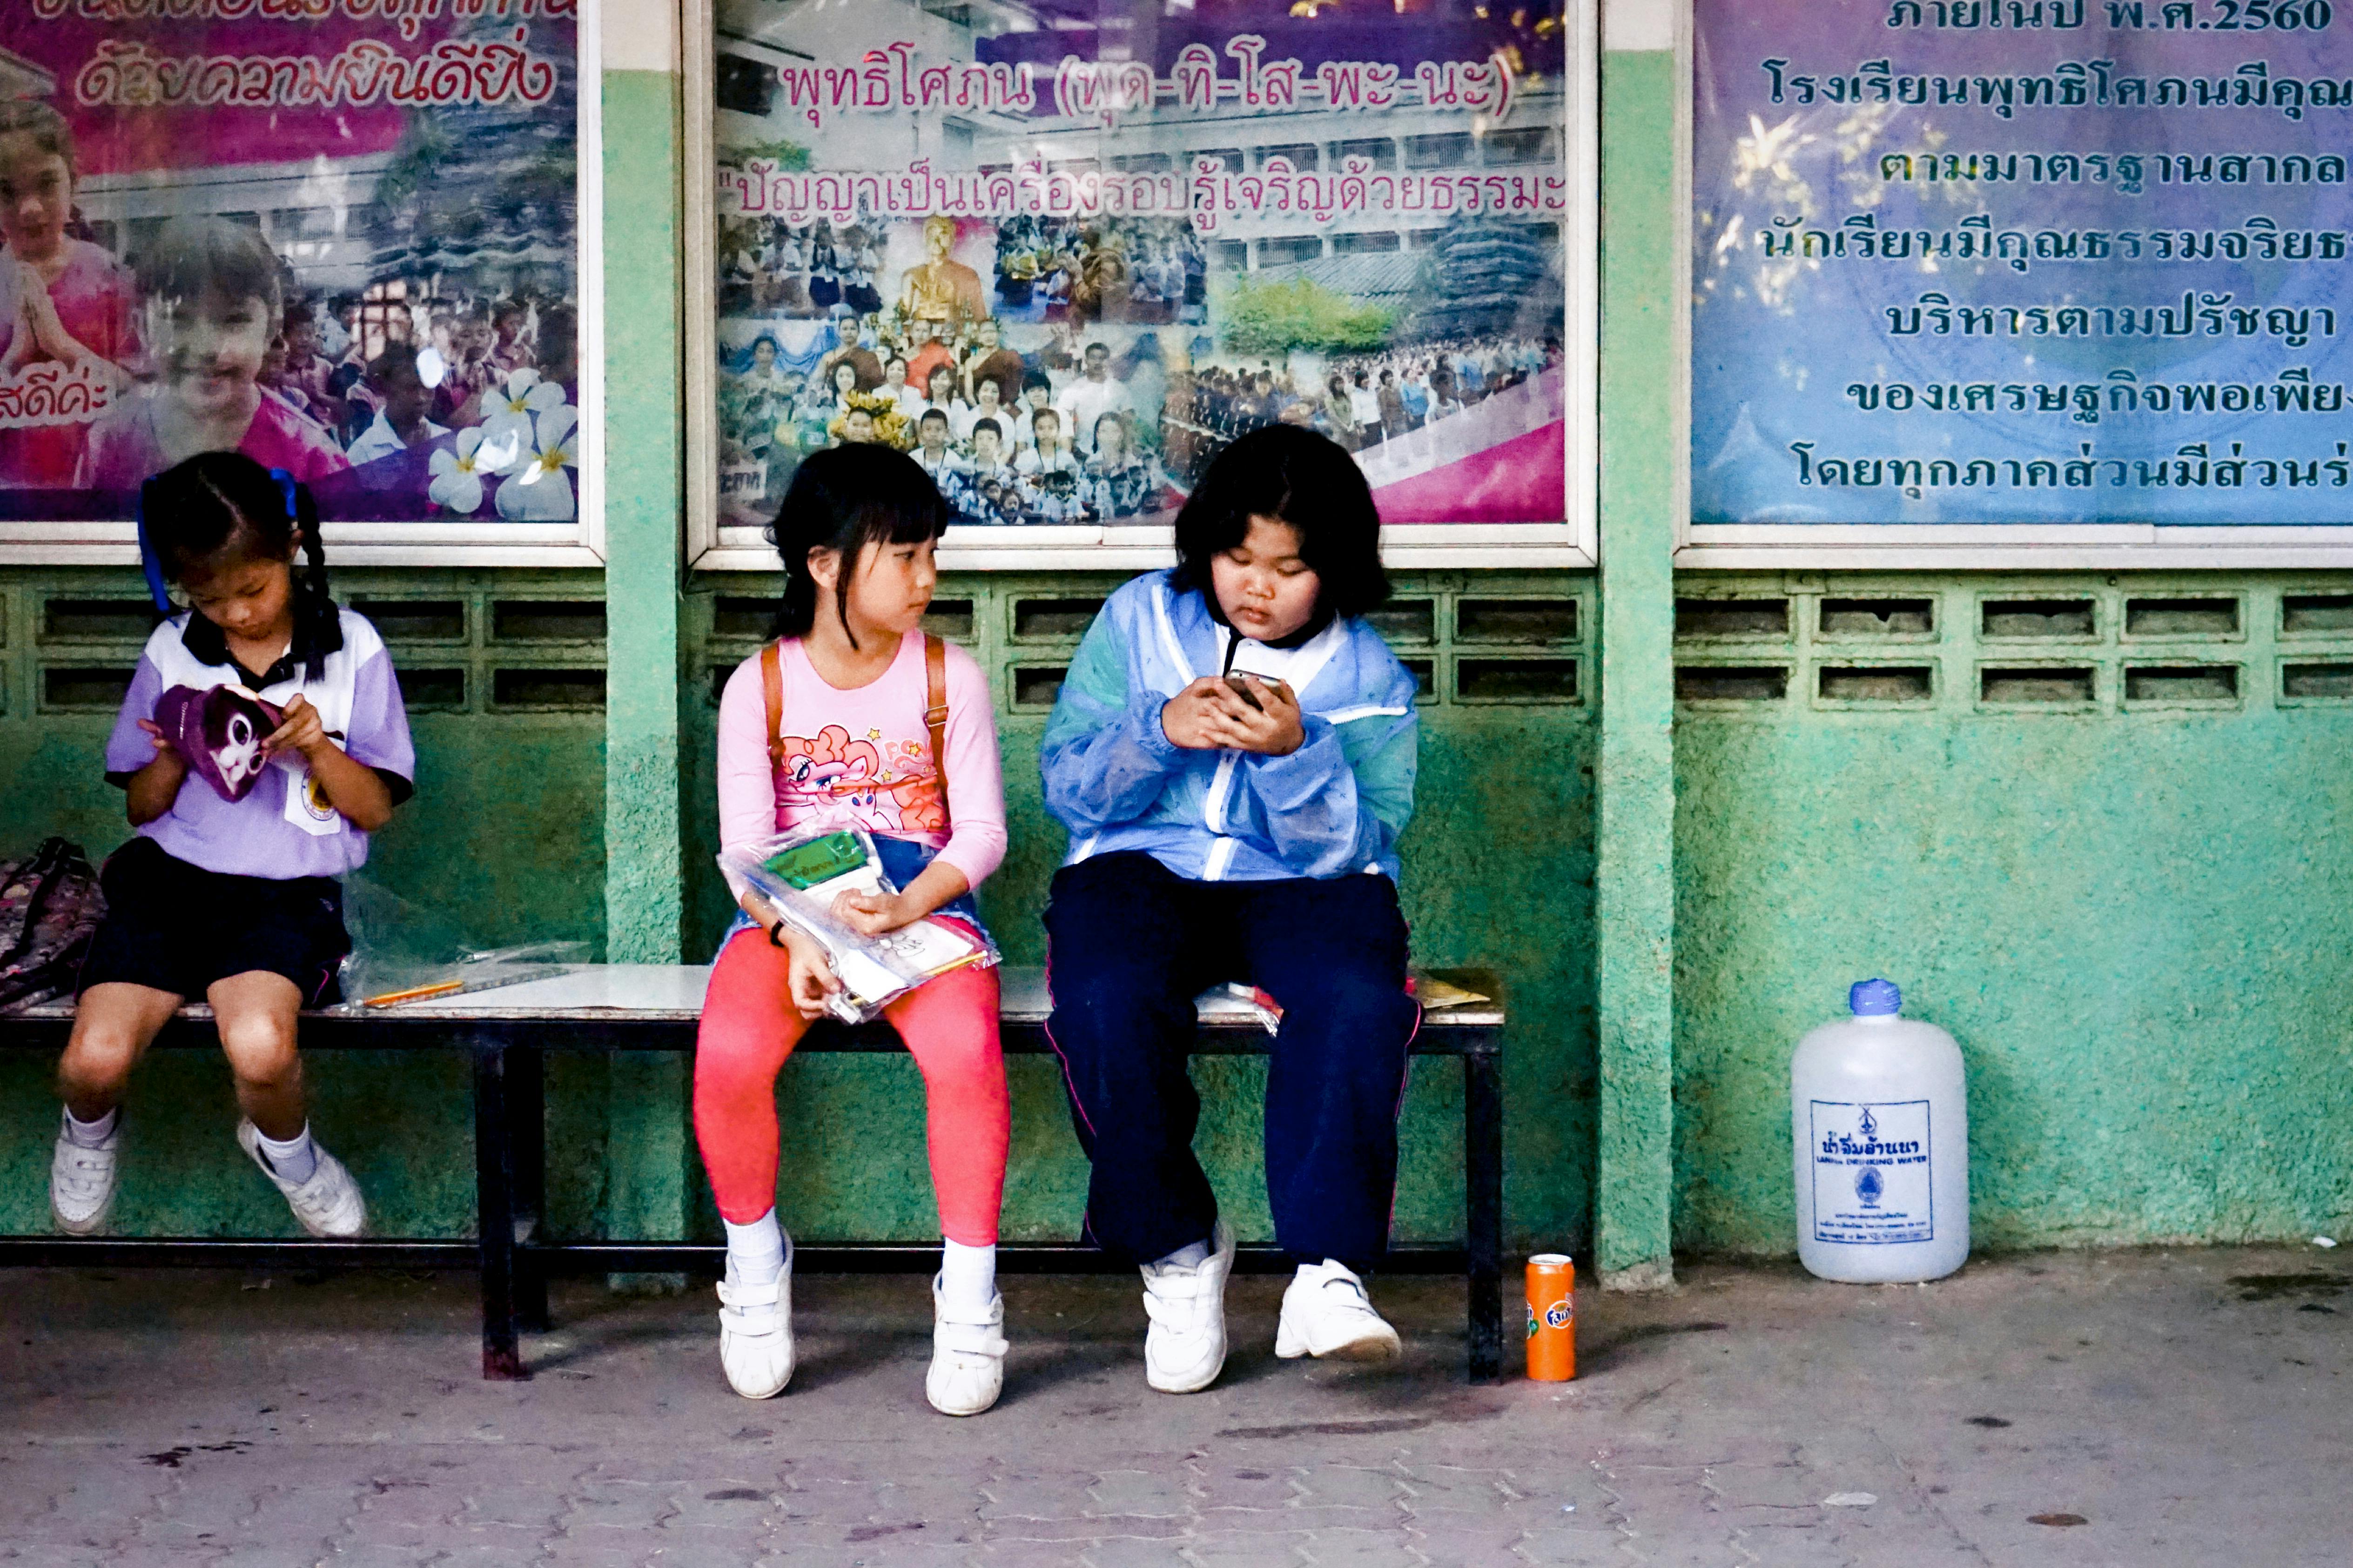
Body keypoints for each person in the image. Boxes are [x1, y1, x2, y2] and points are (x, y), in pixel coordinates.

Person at [1038, 424, 1420, 1394]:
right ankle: (1176, 1248)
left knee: (1357, 994)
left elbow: (1357, 844)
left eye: (1288, 567)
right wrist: (1160, 729)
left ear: (1332, 570)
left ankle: (1325, 1273)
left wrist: (1297, 755)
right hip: (1139, 867)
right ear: (1204, 545)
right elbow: (1070, 789)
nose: (1256, 586)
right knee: (1103, 994)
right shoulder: (1137, 621)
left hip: (1299, 887)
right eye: (1236, 557)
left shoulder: (1368, 675)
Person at [697, 443, 1010, 1414]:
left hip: (924, 900)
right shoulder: (763, 684)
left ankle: (969, 1295)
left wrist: (913, 905)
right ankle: (753, 1262)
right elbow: (744, 848)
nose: (927, 577)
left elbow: (985, 829)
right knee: (731, 1052)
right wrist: (797, 939)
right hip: (792, 908)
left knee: (963, 1051)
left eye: (931, 554)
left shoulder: (947, 675)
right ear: (824, 563)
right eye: (904, 555)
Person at [50, 452, 415, 1241]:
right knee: (95, 1060)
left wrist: (319, 748)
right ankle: (87, 1133)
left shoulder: (350, 647)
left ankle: (290, 1154)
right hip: (170, 885)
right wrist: (175, 752)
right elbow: (140, 808)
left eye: (252, 591)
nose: (238, 616)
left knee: (259, 1049)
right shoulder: (173, 650)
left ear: (289, 547)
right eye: (211, 601)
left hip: (285, 898)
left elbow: (375, 810)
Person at [79, 219, 350, 494]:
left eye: (234, 320)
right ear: (143, 327)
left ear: (271, 329)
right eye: (177, 319)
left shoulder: (313, 460)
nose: (205, 348)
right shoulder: (111, 442)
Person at [0, 100, 143, 489]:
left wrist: (62, 346)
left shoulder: (112, 279)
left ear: (74, 182)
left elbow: (148, 401)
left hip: (103, 500)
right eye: (6, 191)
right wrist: (16, 356)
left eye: (46, 184)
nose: (29, 209)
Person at [344, 343, 448, 465]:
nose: (421, 398)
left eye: (427, 387)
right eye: (410, 388)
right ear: (382, 387)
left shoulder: (445, 440)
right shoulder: (362, 453)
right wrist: (418, 458)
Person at [1056, 341, 1131, 457]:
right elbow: (1064, 424)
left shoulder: (1120, 389)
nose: (1098, 362)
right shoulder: (1073, 390)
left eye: (1102, 358)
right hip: (1083, 452)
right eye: (1093, 358)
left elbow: (1129, 424)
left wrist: (1127, 453)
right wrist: (1069, 453)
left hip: (1114, 453)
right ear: (1086, 361)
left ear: (1108, 361)